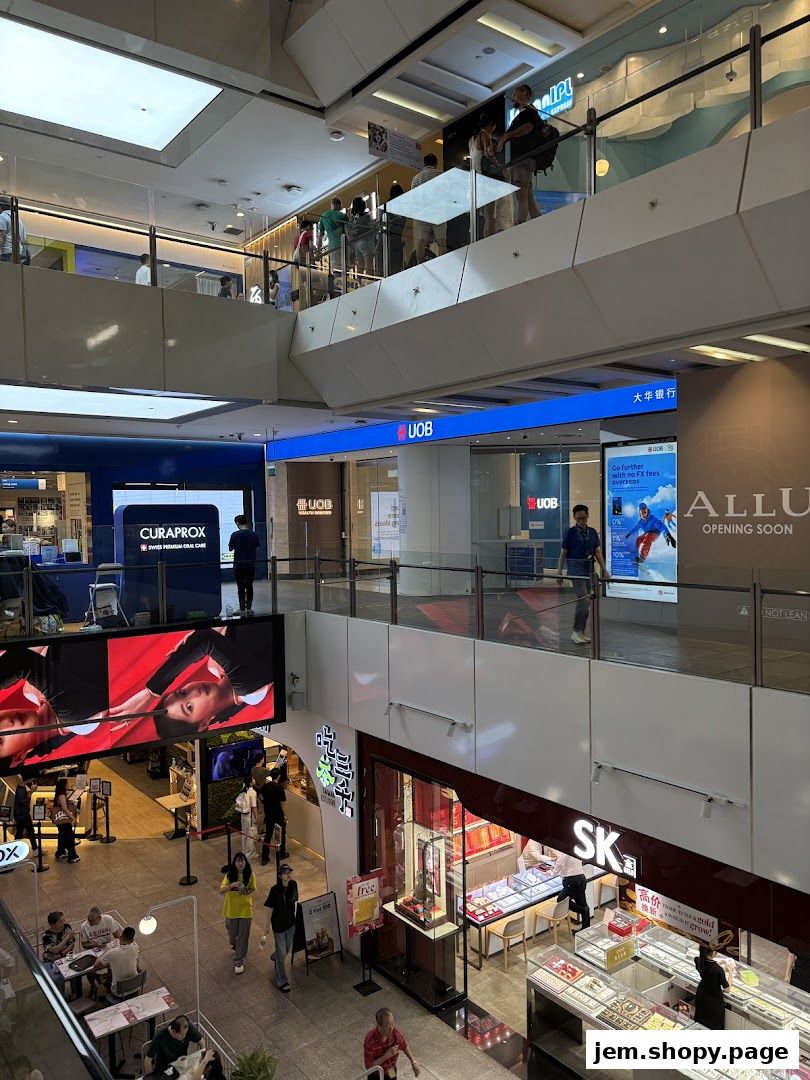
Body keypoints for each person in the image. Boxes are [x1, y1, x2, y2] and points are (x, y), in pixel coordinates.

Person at [107, 623, 275, 741]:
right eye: (189, 707)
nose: (194, 693)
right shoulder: (249, 692)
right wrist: (151, 692)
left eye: (182, 692)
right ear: (203, 724)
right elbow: (206, 640)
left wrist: (201, 635)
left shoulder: (213, 666)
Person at [557, 504, 610, 645]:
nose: (581, 520)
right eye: (578, 518)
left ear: (587, 516)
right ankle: (576, 631)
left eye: (584, 517)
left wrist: (604, 569)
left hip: (589, 570)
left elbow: (597, 551)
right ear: (574, 517)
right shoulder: (570, 533)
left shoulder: (592, 532)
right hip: (576, 569)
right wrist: (559, 571)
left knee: (587, 601)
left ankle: (581, 631)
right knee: (583, 599)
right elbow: (563, 553)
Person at [496, 84, 541, 225]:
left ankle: (519, 227)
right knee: (527, 196)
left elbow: (528, 127)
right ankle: (540, 224)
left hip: (521, 160)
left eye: (515, 94)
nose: (513, 98)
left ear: (524, 94)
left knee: (521, 196)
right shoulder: (527, 113)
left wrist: (507, 136)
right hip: (525, 160)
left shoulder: (527, 112)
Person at [261, 862, 298, 992]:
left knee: (287, 949)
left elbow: (294, 901)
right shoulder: (274, 890)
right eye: (286, 873)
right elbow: (270, 909)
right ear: (280, 875)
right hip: (279, 927)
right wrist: (266, 927)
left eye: (289, 873)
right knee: (282, 953)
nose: (288, 875)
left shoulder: (294, 885)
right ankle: (282, 980)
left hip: (291, 924)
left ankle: (276, 956)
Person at [221, 852, 256, 975]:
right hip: (231, 910)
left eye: (242, 861)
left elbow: (252, 888)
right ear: (234, 863)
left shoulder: (250, 875)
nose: (240, 863)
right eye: (238, 861)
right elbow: (221, 890)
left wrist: (245, 891)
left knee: (243, 936)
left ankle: (239, 961)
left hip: (245, 910)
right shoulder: (230, 875)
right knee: (232, 934)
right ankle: (236, 946)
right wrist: (232, 885)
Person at [469, 112, 503, 238]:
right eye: (493, 127)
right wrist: (500, 166)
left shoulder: (472, 138)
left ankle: (478, 241)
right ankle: (489, 242)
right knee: (490, 216)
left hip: (474, 179)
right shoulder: (485, 135)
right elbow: (489, 154)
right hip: (485, 178)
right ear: (490, 125)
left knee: (479, 217)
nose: (493, 130)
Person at [363, 1007, 420, 1079]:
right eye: (388, 1026)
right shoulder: (370, 1040)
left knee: (393, 1078)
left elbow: (404, 1045)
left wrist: (413, 1062)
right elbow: (369, 1067)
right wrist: (387, 1055)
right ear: (379, 1026)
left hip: (391, 1070)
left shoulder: (395, 1033)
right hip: (376, 1075)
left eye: (392, 1023)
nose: (392, 1028)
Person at [410, 154, 444, 262]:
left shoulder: (416, 178)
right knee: (441, 240)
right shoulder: (441, 174)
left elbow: (413, 198)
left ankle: (420, 264)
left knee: (421, 240)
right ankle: (444, 263)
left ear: (424, 164)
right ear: (436, 163)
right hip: (439, 211)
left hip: (422, 213)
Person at [92, 925, 142, 995]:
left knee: (104, 980)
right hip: (136, 986)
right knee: (113, 972)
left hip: (119, 992)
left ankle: (97, 992)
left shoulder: (112, 952)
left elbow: (96, 966)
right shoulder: (135, 947)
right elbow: (136, 965)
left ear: (120, 937)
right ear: (132, 940)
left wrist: (106, 951)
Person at [228, 513, 260, 616]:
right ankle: (249, 609)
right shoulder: (254, 534)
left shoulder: (235, 535)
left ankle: (242, 610)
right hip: (251, 565)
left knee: (240, 587)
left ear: (237, 523)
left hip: (239, 566)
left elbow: (230, 548)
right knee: (249, 586)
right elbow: (257, 548)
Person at [552, 848, 591, 931]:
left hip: (572, 881)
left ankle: (583, 910)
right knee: (582, 903)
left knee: (561, 899)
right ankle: (586, 929)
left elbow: (560, 863)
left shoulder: (564, 850)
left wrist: (552, 873)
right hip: (581, 879)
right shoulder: (573, 848)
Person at [694, 944, 730, 1029]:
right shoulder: (718, 970)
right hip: (714, 1003)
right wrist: (731, 972)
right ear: (714, 952)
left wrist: (716, 963)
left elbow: (708, 966)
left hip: (701, 996)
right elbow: (727, 989)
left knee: (701, 1024)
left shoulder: (698, 961)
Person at [260, 767, 288, 864]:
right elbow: (282, 803)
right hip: (278, 814)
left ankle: (264, 857)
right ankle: (282, 853)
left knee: (268, 834)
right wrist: (285, 815)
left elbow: (262, 798)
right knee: (281, 834)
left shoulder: (265, 787)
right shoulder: (280, 788)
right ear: (279, 776)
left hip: (269, 814)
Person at [42, 910, 74, 992]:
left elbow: (71, 945)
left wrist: (60, 954)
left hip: (65, 957)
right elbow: (55, 950)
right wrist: (67, 937)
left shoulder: (67, 927)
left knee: (75, 973)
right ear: (53, 924)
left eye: (64, 920)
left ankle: (76, 995)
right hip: (50, 961)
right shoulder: (47, 936)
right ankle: (61, 999)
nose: (63, 923)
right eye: (60, 922)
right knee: (57, 979)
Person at [52, 777, 80, 863]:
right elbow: (65, 808)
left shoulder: (58, 795)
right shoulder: (62, 796)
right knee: (69, 837)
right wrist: (73, 818)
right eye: (67, 784)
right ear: (64, 785)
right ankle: (72, 856)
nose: (68, 785)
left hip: (60, 820)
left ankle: (60, 852)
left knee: (62, 836)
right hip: (64, 821)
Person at [349, 197, 376, 277]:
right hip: (365, 241)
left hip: (356, 243)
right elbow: (370, 227)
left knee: (360, 265)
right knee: (368, 265)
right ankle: (369, 282)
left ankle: (360, 283)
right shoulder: (365, 216)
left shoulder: (353, 219)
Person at [318, 196, 346, 271]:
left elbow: (320, 235)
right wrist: (353, 246)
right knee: (345, 266)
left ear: (332, 205)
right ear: (339, 205)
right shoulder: (343, 215)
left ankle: (338, 281)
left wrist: (318, 251)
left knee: (336, 267)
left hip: (332, 246)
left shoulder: (323, 216)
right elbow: (348, 232)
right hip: (343, 244)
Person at [385, 183, 407, 275]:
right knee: (397, 263)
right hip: (395, 237)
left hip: (387, 238)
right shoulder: (400, 206)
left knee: (390, 264)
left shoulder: (386, 206)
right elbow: (403, 221)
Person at [0, 196, 28, 263]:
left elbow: (1, 237)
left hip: (6, 254)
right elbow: (24, 240)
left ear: (0, 207)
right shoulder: (18, 221)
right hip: (18, 254)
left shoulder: (2, 217)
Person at [13, 777, 38, 851]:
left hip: (23, 814)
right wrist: (31, 792)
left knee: (28, 832)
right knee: (22, 833)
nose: (33, 779)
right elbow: (23, 802)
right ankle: (14, 849)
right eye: (31, 778)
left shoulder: (22, 787)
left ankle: (35, 849)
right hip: (22, 815)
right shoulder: (21, 789)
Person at [235, 776, 258, 858]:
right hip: (249, 816)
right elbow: (254, 807)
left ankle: (244, 850)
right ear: (251, 782)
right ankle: (250, 853)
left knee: (244, 833)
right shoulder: (252, 792)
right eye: (253, 779)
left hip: (243, 815)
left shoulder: (243, 789)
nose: (254, 780)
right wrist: (257, 817)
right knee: (250, 834)